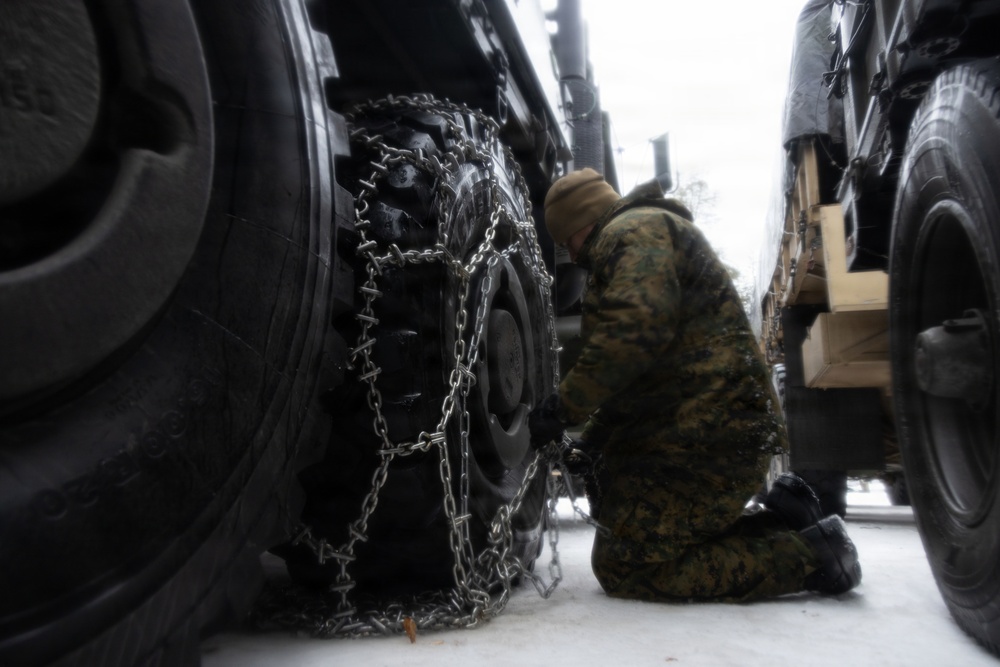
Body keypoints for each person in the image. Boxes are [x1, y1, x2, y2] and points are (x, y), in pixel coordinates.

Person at [528, 168, 861, 602]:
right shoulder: (640, 233)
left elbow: (635, 330)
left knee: (627, 566)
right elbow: (636, 385)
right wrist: (590, 445)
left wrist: (561, 409)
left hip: (711, 436)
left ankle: (812, 557)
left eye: (566, 240)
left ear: (579, 224)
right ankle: (786, 520)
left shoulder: (629, 232)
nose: (571, 255)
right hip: (708, 430)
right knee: (625, 518)